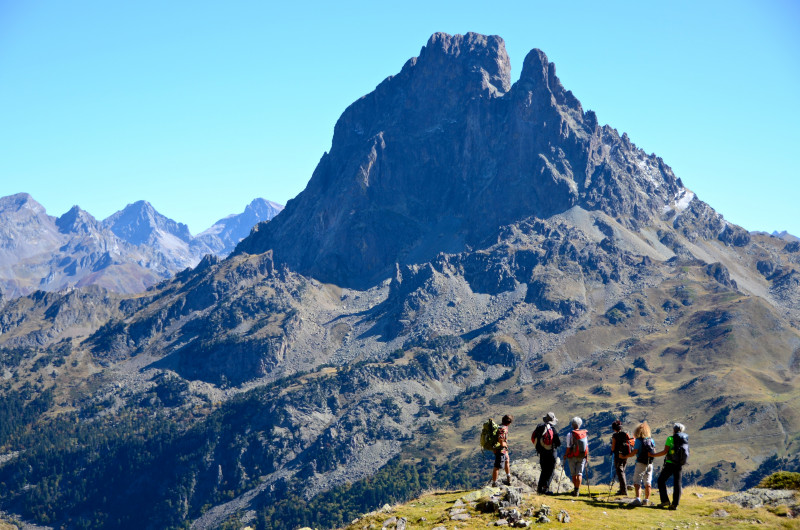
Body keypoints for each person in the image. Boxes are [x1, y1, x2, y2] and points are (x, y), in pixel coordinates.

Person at [652, 423, 687, 510]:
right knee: (677, 483)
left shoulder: (670, 438)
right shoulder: (684, 439)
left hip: (670, 463)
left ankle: (665, 501)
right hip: (679, 464)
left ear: (674, 430)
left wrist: (654, 455)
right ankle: (674, 504)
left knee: (661, 480)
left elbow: (665, 451)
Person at [622, 421, 655, 506]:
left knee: (637, 481)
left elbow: (634, 452)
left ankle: (637, 499)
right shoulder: (651, 440)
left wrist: (625, 456)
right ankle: (646, 500)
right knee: (648, 482)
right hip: (650, 463)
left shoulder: (638, 441)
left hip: (640, 463)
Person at [531, 412, 561, 494]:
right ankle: (545, 489)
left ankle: (539, 489)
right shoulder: (552, 429)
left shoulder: (540, 428)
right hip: (551, 453)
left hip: (542, 452)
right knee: (550, 471)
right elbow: (558, 442)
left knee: (544, 470)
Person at [564, 416, 589, 496]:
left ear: (572, 425)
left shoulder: (569, 434)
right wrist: (586, 456)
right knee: (579, 473)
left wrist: (565, 455)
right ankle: (577, 490)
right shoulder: (584, 434)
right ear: (580, 424)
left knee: (573, 474)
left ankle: (575, 490)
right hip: (581, 456)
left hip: (572, 456)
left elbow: (568, 447)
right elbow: (586, 446)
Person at [610, 420, 631, 496]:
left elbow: (613, 448)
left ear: (614, 428)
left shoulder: (615, 436)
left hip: (618, 455)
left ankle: (624, 491)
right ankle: (621, 489)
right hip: (626, 455)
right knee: (622, 471)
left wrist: (612, 449)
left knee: (620, 472)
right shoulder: (625, 434)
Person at [492, 414, 514, 487]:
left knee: (507, 460)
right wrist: (504, 445)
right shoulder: (503, 429)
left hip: (502, 450)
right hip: (501, 450)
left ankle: (508, 479)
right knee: (497, 466)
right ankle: (494, 483)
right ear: (509, 422)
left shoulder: (501, 426)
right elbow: (500, 439)